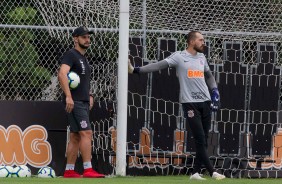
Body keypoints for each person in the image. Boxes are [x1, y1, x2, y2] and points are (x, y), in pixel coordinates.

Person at [128, 31, 225, 180]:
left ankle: (195, 173)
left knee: (204, 139)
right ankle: (212, 172)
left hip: (205, 101)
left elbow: (209, 76)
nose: (203, 42)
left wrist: (215, 91)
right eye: (201, 40)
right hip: (189, 103)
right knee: (200, 138)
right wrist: (136, 70)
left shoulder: (202, 57)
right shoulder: (179, 57)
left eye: (203, 40)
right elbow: (159, 65)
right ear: (192, 41)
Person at [58, 26, 105, 178]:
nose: (87, 40)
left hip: (82, 101)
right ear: (75, 38)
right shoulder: (71, 55)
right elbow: (62, 74)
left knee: (75, 136)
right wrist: (68, 96)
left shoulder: (83, 58)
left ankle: (69, 170)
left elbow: (82, 81)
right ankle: (88, 169)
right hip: (75, 101)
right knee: (86, 132)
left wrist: (89, 94)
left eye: (89, 37)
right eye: (84, 37)